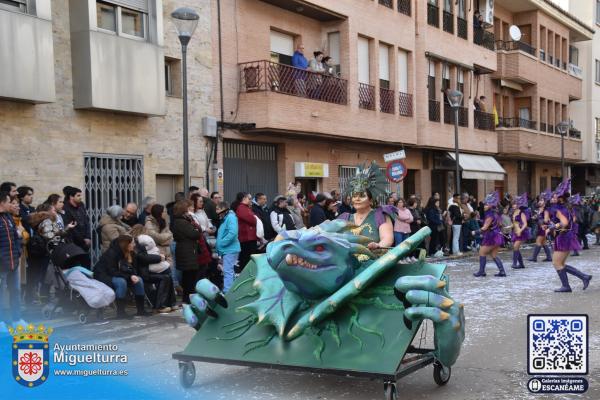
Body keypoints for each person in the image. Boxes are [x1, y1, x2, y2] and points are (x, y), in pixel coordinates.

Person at [337, 162, 395, 250]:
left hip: (374, 261)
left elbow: (387, 239)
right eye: (354, 196)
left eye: (362, 196)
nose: (357, 199)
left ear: (371, 200)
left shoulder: (380, 215)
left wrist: (378, 245)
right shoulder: (344, 218)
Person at [547, 181, 592, 292]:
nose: (552, 198)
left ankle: (568, 285)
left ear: (560, 198)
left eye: (554, 196)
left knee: (556, 263)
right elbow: (572, 220)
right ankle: (583, 277)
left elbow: (565, 222)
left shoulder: (558, 208)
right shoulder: (567, 207)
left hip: (564, 237)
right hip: (566, 236)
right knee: (560, 263)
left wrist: (553, 226)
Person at [93, 235, 150, 318]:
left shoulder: (131, 253)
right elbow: (112, 271)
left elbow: (133, 268)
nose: (134, 245)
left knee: (139, 280)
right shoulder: (111, 253)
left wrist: (133, 275)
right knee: (121, 282)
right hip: (103, 276)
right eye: (132, 243)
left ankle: (141, 310)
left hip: (120, 275)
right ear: (126, 244)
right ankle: (121, 312)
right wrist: (129, 277)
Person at [131, 226, 176, 313]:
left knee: (167, 276)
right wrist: (159, 258)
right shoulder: (137, 244)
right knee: (165, 277)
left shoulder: (139, 244)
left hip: (144, 271)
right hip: (142, 273)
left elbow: (145, 256)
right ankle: (160, 305)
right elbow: (143, 258)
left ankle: (169, 303)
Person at [0, 191, 26, 332]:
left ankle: (17, 320)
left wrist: (17, 252)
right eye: (9, 201)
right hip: (1, 264)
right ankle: (1, 322)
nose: (11, 204)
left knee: (15, 291)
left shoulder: (8, 217)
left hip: (13, 262)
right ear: (2, 202)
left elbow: (16, 237)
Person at [171, 200, 204, 304]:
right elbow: (195, 234)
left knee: (189, 276)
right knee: (189, 277)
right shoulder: (181, 222)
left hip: (187, 250)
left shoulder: (182, 221)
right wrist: (196, 229)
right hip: (187, 251)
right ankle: (188, 299)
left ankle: (188, 298)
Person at [144, 204, 177, 292]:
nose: (166, 213)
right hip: (157, 252)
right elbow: (156, 238)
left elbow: (171, 235)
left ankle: (170, 294)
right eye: (165, 212)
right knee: (162, 274)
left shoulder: (164, 221)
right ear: (160, 213)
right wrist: (165, 238)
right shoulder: (149, 223)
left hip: (167, 251)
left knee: (170, 273)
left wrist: (164, 239)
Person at [473, 192, 506, 277]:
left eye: (486, 205)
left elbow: (485, 227)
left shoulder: (490, 214)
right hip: (497, 235)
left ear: (491, 205)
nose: (484, 206)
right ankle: (502, 272)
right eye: (484, 204)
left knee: (482, 252)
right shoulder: (495, 213)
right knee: (494, 254)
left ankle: (481, 271)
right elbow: (498, 224)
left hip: (492, 236)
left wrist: (474, 232)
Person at [216, 201, 240, 293]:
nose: (216, 211)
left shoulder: (230, 217)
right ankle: (232, 291)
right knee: (229, 271)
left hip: (230, 249)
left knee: (227, 271)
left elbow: (233, 233)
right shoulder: (226, 218)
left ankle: (227, 292)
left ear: (223, 209)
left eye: (218, 209)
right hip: (228, 249)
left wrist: (221, 243)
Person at [232, 192, 258, 273]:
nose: (251, 200)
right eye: (249, 199)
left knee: (249, 259)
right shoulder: (241, 208)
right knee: (246, 260)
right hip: (246, 238)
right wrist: (256, 219)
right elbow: (252, 220)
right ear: (244, 199)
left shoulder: (246, 207)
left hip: (250, 238)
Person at [62, 186, 91, 252]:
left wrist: (88, 237)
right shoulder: (65, 208)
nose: (80, 197)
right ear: (71, 197)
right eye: (78, 195)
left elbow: (86, 221)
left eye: (80, 195)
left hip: (85, 240)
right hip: (74, 241)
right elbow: (71, 227)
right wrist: (82, 240)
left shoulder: (81, 205)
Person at [528, 191, 553, 262]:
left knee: (538, 242)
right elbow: (536, 217)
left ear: (545, 202)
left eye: (541, 200)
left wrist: (537, 217)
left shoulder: (546, 210)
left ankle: (534, 257)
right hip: (540, 227)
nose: (539, 201)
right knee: (543, 242)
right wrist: (534, 217)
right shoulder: (539, 209)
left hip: (543, 227)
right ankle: (549, 257)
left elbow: (545, 220)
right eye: (539, 200)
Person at [510, 193, 531, 269]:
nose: (513, 205)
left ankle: (514, 263)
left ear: (518, 205)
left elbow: (525, 224)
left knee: (515, 246)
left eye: (515, 204)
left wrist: (520, 230)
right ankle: (521, 264)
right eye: (512, 204)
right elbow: (514, 223)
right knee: (516, 247)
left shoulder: (522, 213)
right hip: (515, 232)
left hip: (521, 232)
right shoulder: (513, 212)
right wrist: (509, 226)